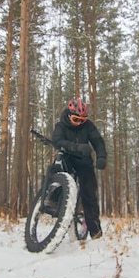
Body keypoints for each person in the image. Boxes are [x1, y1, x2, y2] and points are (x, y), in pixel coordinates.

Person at [52, 98, 107, 239]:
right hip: (67, 157)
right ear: (69, 114)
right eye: (76, 119)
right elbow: (57, 140)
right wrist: (75, 147)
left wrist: (101, 157)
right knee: (56, 168)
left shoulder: (87, 126)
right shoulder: (61, 125)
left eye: (82, 120)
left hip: (84, 162)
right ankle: (52, 198)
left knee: (89, 195)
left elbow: (98, 141)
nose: (79, 123)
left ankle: (95, 233)